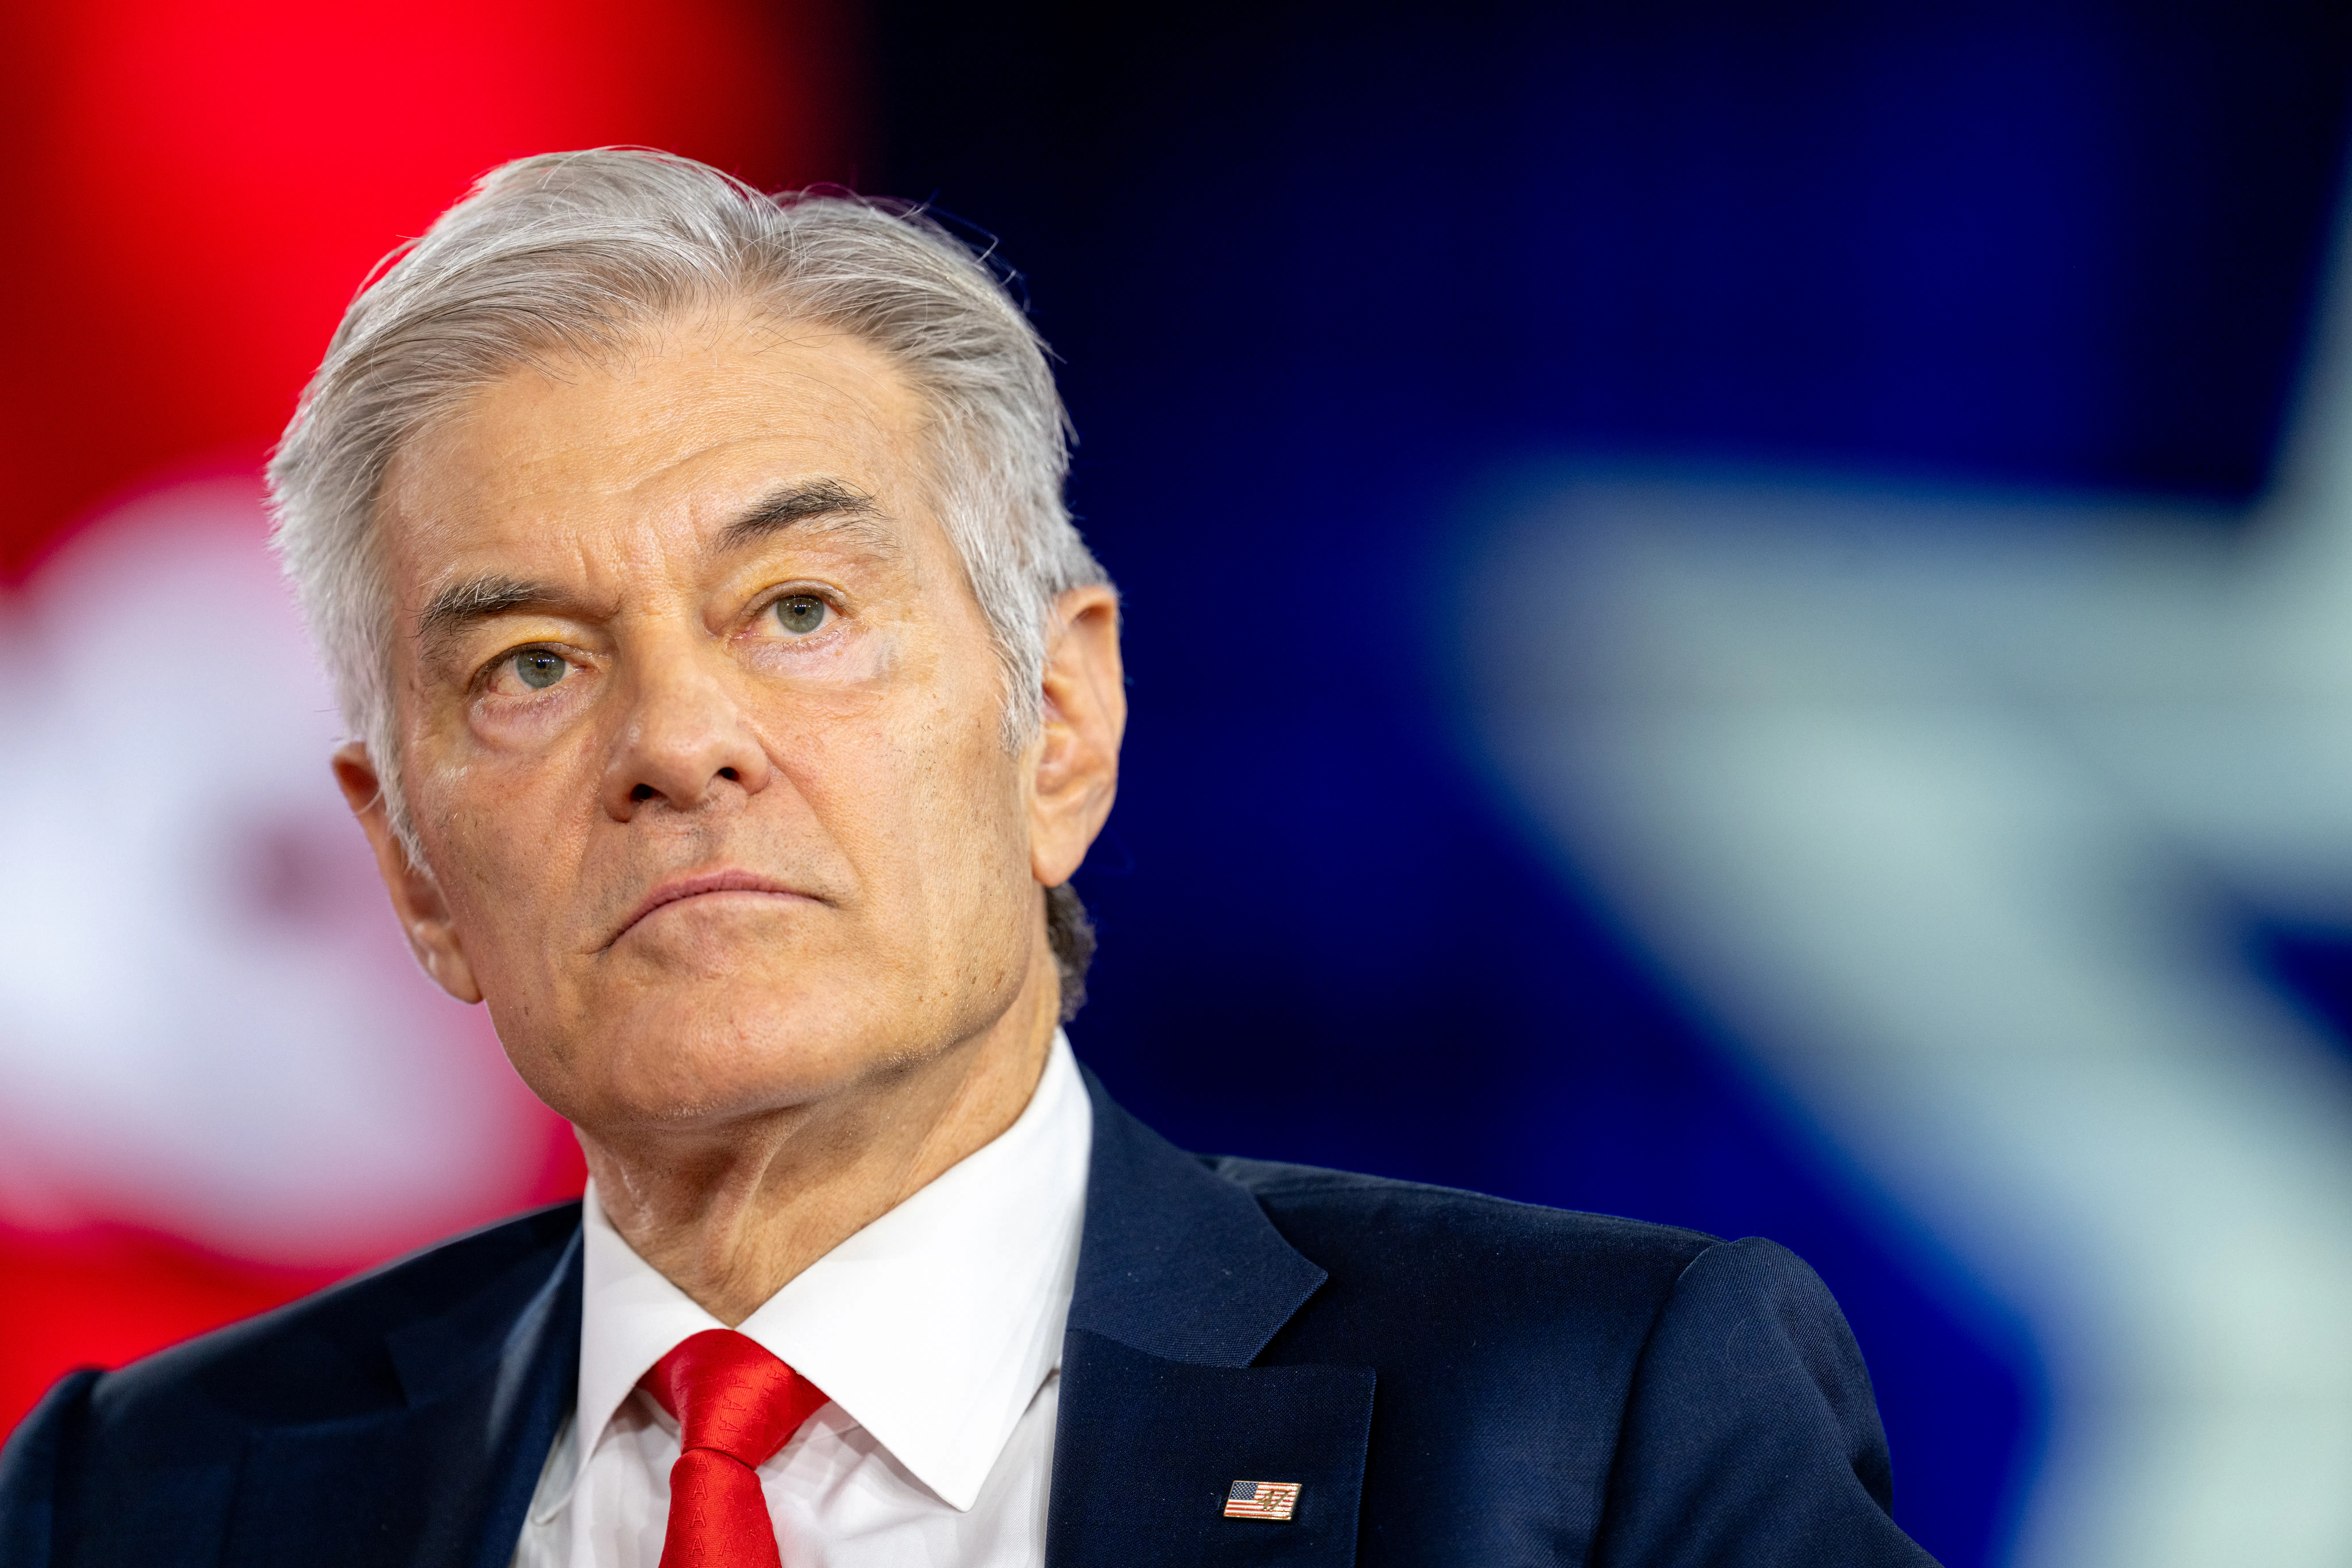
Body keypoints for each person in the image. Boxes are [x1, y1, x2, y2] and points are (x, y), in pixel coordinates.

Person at [0, 150, 1935, 1568]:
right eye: (529, 663)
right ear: (410, 867)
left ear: (1061, 722)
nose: (679, 742)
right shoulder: (144, 1498)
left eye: (802, 610)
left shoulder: (1587, 1427)